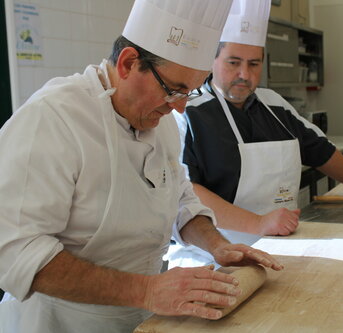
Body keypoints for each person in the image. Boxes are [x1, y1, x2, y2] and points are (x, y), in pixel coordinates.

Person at [0, 1, 284, 332]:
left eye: (188, 94)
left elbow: (180, 200)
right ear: (129, 63)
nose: (179, 109)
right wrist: (146, 290)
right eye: (173, 91)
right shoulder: (51, 119)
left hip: (145, 319)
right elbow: (17, 252)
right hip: (60, 323)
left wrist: (218, 245)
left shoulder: (158, 119)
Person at [168, 0, 343, 267]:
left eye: (254, 64)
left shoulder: (274, 105)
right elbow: (186, 191)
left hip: (280, 249)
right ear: (212, 59)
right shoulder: (187, 112)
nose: (244, 74)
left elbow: (321, 152)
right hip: (211, 260)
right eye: (233, 62)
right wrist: (258, 223)